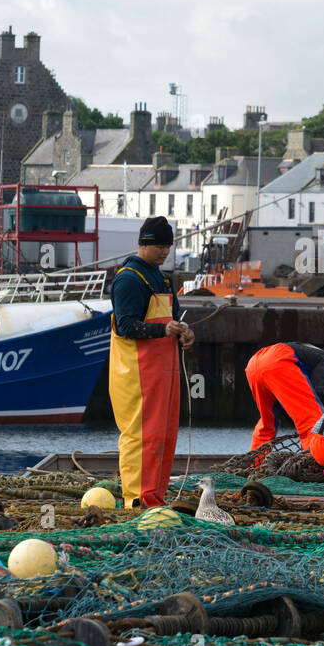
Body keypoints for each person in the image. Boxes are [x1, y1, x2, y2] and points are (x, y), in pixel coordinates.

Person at [109, 216, 194, 508]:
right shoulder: (129, 279)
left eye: (168, 246)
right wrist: (163, 330)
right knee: (140, 435)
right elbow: (125, 326)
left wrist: (184, 332)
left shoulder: (162, 278)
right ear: (144, 244)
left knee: (163, 435)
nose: (165, 251)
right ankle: (136, 499)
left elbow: (174, 318)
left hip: (163, 371)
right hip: (137, 373)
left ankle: (155, 496)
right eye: (160, 246)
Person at [245, 342, 324, 452]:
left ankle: (256, 460)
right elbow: (317, 388)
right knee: (313, 418)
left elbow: (289, 411)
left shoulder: (312, 363)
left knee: (268, 423)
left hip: (255, 364)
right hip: (279, 359)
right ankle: (316, 457)